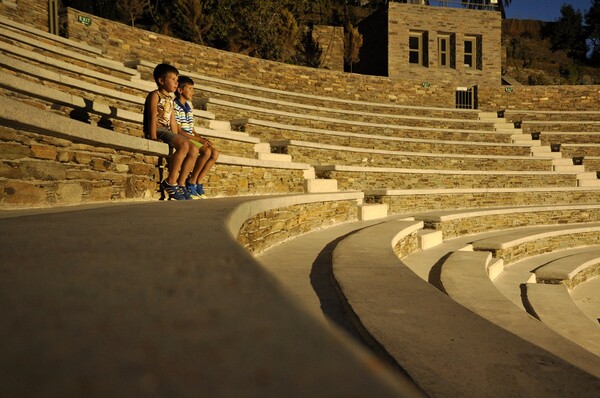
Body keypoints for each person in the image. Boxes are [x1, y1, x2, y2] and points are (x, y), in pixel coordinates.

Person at [143, 64, 199, 200]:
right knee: (185, 145)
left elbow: (173, 121)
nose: (176, 82)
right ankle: (170, 182)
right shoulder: (155, 95)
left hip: (168, 131)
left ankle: (181, 183)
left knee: (193, 149)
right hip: (158, 130)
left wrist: (179, 138)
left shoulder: (170, 99)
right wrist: (153, 137)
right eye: (173, 79)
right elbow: (152, 116)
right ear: (161, 81)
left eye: (177, 79)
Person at [174, 75, 220, 199]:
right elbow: (179, 131)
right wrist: (198, 140)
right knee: (206, 152)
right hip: (184, 138)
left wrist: (202, 138)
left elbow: (192, 130)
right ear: (180, 90)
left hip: (191, 137)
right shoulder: (176, 106)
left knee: (215, 153)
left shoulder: (188, 108)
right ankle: (189, 182)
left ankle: (197, 182)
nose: (192, 92)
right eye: (190, 88)